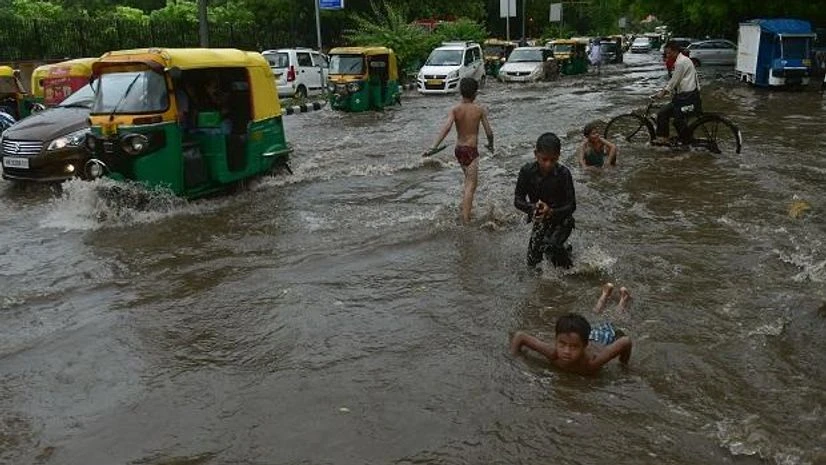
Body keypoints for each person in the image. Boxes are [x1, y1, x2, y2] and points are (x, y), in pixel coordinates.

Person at [510, 283, 633, 375]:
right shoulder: (553, 353)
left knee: (612, 322)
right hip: (582, 335)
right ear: (556, 341)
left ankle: (623, 300)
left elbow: (625, 341)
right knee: (595, 316)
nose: (567, 351)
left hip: (602, 339)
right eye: (562, 344)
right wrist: (513, 360)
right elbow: (520, 336)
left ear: (585, 346)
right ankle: (605, 294)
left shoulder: (591, 363)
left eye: (573, 347)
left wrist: (623, 366)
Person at [424, 77, 494, 224]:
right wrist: (491, 144)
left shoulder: (455, 110)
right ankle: (466, 220)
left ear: (461, 92)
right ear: (475, 93)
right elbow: (489, 132)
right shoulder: (479, 110)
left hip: (459, 150)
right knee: (471, 186)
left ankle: (466, 209)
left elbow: (447, 127)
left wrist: (434, 146)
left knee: (468, 181)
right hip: (471, 151)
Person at [514, 132, 576, 268]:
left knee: (552, 247)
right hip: (539, 218)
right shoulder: (527, 171)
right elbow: (518, 200)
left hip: (562, 219)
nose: (548, 164)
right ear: (536, 154)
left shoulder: (563, 174)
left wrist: (551, 211)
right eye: (544, 159)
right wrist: (532, 207)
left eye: (553, 160)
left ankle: (571, 271)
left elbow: (571, 205)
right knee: (532, 261)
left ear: (558, 156)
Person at [653, 40, 701, 145]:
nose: (667, 55)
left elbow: (674, 81)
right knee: (669, 115)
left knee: (665, 114)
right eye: (666, 53)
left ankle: (669, 139)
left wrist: (663, 92)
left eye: (669, 53)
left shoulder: (680, 62)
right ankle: (683, 140)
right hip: (687, 97)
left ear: (675, 52)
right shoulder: (683, 60)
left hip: (687, 98)